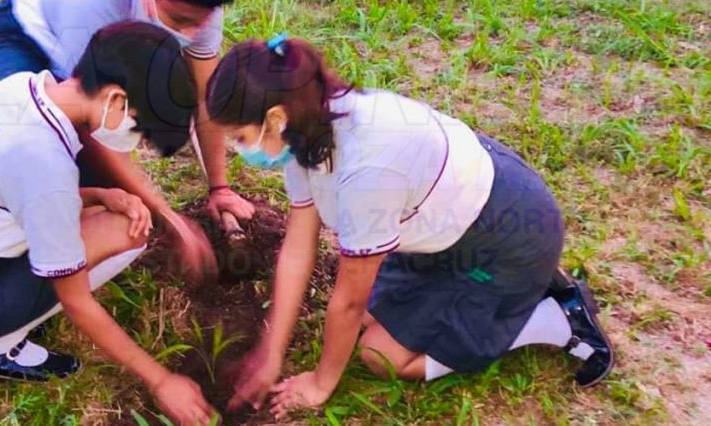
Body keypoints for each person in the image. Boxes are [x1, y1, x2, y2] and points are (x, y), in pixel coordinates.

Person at [206, 35, 614, 420]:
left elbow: (348, 302)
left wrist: (320, 383)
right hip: (447, 228)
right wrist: (271, 351)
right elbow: (298, 246)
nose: (239, 150)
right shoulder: (308, 126)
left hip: (504, 237)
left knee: (379, 355)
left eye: (240, 137)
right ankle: (524, 284)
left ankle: (550, 316)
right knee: (368, 319)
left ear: (275, 118)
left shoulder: (365, 170)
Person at [0, 23, 215, 425]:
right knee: (127, 231)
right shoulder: (45, 164)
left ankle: (5, 311)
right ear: (115, 98)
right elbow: (77, 301)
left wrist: (98, 195)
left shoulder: (20, 87)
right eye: (137, 127)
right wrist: (161, 380)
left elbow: (15, 189)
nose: (135, 142)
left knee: (113, 215)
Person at [0, 0, 254, 280]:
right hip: (24, 37)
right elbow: (91, 119)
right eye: (180, 20)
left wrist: (220, 188)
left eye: (200, 22)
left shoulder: (198, 5)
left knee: (98, 182)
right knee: (45, 155)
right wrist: (168, 218)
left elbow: (205, 98)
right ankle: (24, 271)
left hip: (104, 48)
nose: (192, 31)